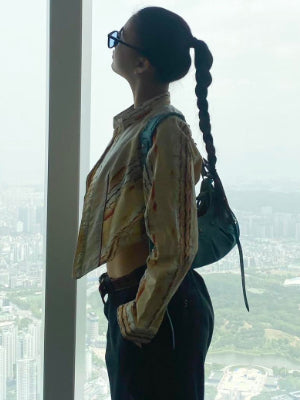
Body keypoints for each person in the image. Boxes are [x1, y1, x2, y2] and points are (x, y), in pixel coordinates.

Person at [72, 6, 215, 400]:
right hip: (139, 305)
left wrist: (137, 320)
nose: (112, 45)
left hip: (155, 314)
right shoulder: (138, 125)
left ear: (141, 63)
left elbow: (176, 246)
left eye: (118, 38)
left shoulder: (165, 128)